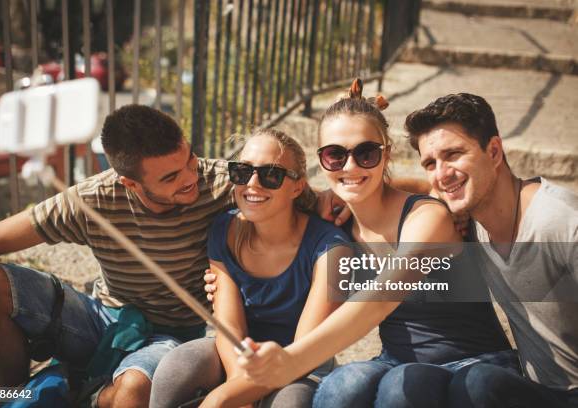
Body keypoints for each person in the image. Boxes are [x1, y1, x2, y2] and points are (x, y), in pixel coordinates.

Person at [0, 105, 340, 408]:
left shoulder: (226, 182)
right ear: (129, 182)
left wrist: (328, 197)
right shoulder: (92, 200)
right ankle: (13, 399)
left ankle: (70, 391)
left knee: (131, 394)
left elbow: (285, 191)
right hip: (103, 317)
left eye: (190, 159)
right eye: (170, 178)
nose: (191, 177)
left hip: (170, 334)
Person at [206, 80, 516, 407]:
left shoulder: (428, 219)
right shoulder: (337, 223)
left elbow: (380, 299)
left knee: (400, 390)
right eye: (335, 155)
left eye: (365, 153)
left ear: (386, 155)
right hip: (395, 359)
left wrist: (285, 362)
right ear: (322, 161)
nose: (350, 166)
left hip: (474, 363)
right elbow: (279, 198)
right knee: (340, 388)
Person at [149, 129, 351, 408]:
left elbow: (302, 351)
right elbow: (229, 327)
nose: (253, 184)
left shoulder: (330, 247)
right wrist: (238, 390)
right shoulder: (224, 230)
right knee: (176, 368)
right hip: (238, 356)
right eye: (243, 172)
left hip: (301, 365)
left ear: (297, 186)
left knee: (289, 403)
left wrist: (222, 398)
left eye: (271, 174)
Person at [403, 93, 578, 408]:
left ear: (494, 151)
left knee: (478, 382)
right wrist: (333, 196)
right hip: (537, 392)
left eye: (454, 154)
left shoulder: (561, 222)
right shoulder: (471, 218)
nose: (441, 174)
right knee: (445, 383)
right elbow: (402, 193)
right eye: (430, 163)